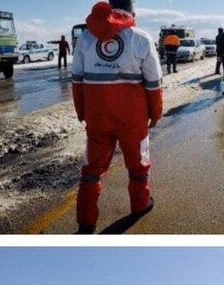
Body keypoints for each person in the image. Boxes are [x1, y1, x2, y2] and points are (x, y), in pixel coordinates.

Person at [71, 0, 163, 234]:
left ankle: (86, 220)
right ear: (132, 12)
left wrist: (82, 112)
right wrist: (156, 112)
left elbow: (77, 81)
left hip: (97, 117)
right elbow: (154, 83)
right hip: (132, 118)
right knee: (138, 164)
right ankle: (140, 205)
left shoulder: (85, 38)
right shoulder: (140, 38)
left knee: (92, 169)